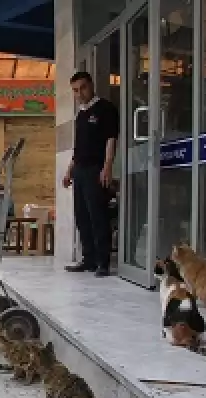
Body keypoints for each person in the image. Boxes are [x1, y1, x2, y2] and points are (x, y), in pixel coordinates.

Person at [63, 71, 119, 278]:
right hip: (79, 170)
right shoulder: (81, 114)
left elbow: (111, 140)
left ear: (91, 85)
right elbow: (78, 149)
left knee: (98, 216)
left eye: (82, 88)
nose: (79, 93)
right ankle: (88, 259)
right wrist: (69, 171)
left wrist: (107, 166)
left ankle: (102, 262)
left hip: (96, 169)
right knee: (82, 216)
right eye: (75, 90)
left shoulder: (105, 109)